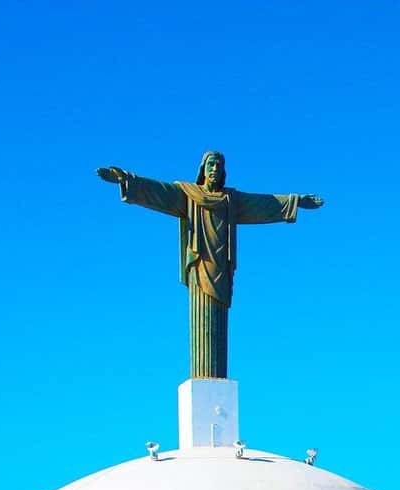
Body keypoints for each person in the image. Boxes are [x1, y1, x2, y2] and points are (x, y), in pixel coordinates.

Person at [97, 152, 323, 379]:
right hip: (199, 267)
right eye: (211, 164)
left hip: (222, 269)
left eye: (219, 165)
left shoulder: (231, 200)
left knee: (219, 327)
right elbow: (158, 191)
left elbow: (263, 204)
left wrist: (296, 201)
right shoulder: (188, 194)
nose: (215, 169)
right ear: (203, 169)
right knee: (201, 321)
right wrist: (126, 180)